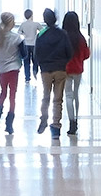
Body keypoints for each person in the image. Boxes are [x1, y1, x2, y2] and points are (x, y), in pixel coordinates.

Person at [31, 7, 72, 139]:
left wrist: (37, 67)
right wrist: (64, 62)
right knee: (58, 99)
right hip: (60, 69)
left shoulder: (41, 35)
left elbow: (36, 53)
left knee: (46, 96)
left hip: (46, 70)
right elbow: (69, 52)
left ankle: (44, 118)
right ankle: (56, 126)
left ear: (44, 20)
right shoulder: (63, 34)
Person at [58, 10, 91, 138]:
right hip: (78, 69)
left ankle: (71, 122)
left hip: (65, 70)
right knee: (76, 94)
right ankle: (76, 119)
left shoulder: (61, 37)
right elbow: (86, 55)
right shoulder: (80, 38)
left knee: (68, 96)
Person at [0, 11, 24, 135]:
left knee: (3, 92)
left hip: (2, 70)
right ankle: (9, 123)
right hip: (14, 69)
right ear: (11, 23)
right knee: (12, 96)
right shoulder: (16, 38)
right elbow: (24, 54)